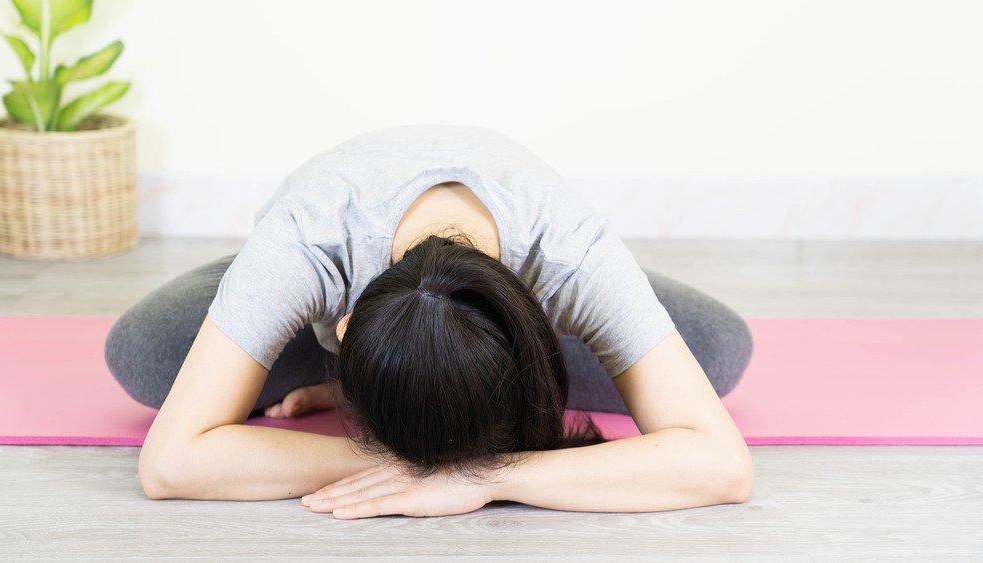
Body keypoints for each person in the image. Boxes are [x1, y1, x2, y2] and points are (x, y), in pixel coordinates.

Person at [105, 123, 755, 519]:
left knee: (719, 350)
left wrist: (481, 477)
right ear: (351, 328)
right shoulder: (306, 241)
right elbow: (169, 463)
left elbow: (723, 464)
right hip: (317, 282)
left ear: (533, 341)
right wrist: (397, 464)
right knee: (147, 354)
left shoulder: (572, 255)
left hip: (534, 280)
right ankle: (301, 329)